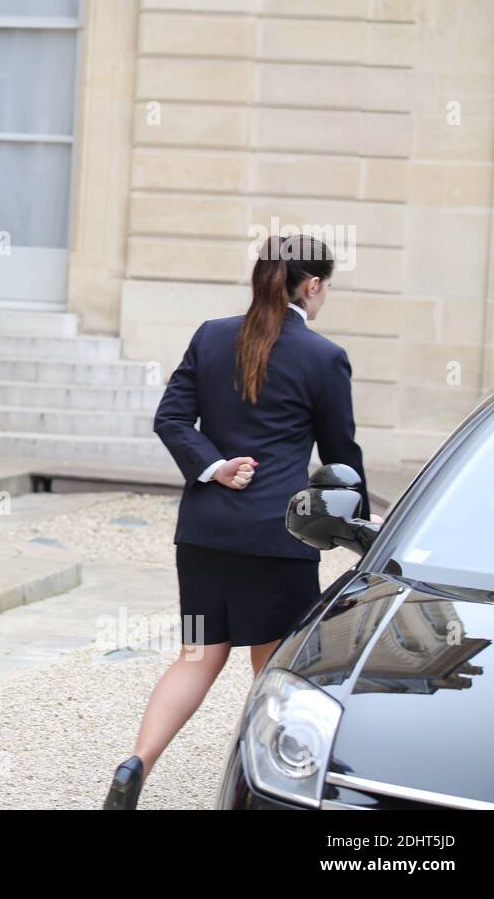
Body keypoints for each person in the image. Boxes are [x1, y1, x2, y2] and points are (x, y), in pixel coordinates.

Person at [103, 234, 373, 809]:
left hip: (205, 531)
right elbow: (341, 456)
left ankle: (136, 763)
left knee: (198, 654)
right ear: (313, 284)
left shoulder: (212, 334)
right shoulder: (324, 356)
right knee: (273, 669)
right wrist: (361, 526)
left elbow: (172, 418)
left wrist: (216, 466)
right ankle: (264, 788)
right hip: (279, 538)